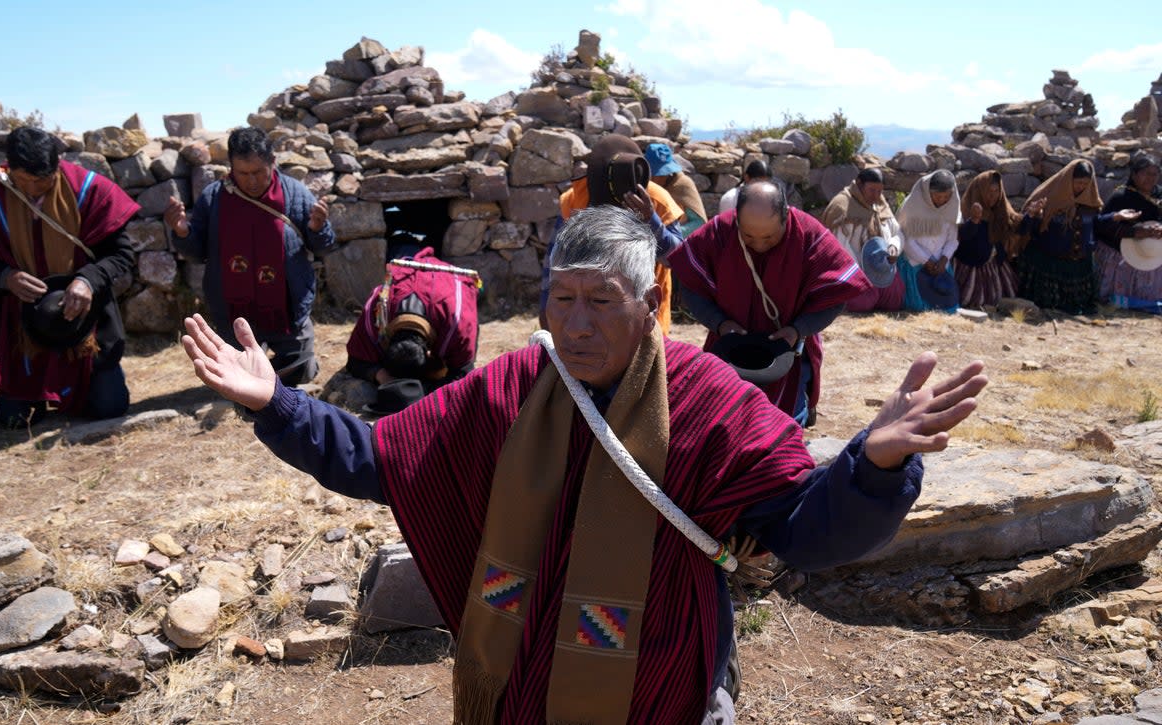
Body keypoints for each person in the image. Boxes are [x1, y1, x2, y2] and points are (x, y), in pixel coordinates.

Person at [181, 204, 986, 724]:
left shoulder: (706, 400)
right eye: (561, 299)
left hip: (658, 690)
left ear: (651, 301)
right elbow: (378, 456)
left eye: (601, 300)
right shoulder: (511, 388)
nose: (576, 323)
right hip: (523, 686)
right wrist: (274, 404)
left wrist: (873, 467)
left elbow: (804, 532)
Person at [0, 126, 138, 428]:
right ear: (7, 167)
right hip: (21, 323)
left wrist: (87, 280)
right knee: (14, 419)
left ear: (57, 166)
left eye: (42, 181)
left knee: (109, 407)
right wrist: (4, 277)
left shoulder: (89, 190)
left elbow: (122, 254)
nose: (32, 190)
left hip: (85, 320)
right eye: (23, 181)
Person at [670, 181, 871, 427]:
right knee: (721, 423)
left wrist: (799, 329)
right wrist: (718, 323)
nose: (759, 245)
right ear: (736, 220)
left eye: (769, 237)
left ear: (786, 218)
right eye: (748, 236)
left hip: (786, 353)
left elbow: (839, 292)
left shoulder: (808, 235)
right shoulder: (721, 231)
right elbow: (690, 280)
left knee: (783, 428)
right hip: (729, 348)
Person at [164, 126, 336, 385]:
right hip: (234, 312)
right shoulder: (214, 198)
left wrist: (318, 229)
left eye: (258, 172)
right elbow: (197, 253)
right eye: (243, 173)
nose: (251, 181)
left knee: (301, 372)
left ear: (273, 162)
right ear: (231, 167)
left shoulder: (295, 194)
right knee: (241, 383)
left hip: (287, 310)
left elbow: (322, 247)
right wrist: (182, 231)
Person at [539, 134, 684, 334]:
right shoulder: (577, 197)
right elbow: (554, 259)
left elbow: (679, 259)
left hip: (646, 318)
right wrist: (548, 308)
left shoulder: (657, 201)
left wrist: (650, 220)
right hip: (582, 315)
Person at [345, 246, 480, 388]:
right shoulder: (377, 310)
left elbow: (462, 373)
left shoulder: (457, 323)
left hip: (445, 285)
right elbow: (355, 359)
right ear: (385, 345)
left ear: (429, 354)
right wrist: (382, 376)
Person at [1018, 159, 1139, 315]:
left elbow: (1096, 223)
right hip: (1050, 262)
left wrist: (1115, 216)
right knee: (1048, 305)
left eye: (1085, 183)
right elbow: (1026, 230)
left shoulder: (1090, 203)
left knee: (1076, 308)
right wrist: (1032, 215)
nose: (1081, 187)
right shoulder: (1049, 199)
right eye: (1078, 182)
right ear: (1068, 180)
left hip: (1078, 262)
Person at [821, 167, 906, 312]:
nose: (876, 196)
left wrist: (893, 247)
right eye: (872, 190)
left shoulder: (880, 204)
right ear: (859, 184)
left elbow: (897, 232)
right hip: (852, 270)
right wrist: (862, 272)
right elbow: (839, 247)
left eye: (880, 191)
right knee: (862, 303)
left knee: (895, 299)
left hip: (880, 267)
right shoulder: (841, 207)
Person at [1095, 152, 1162, 312]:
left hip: (1151, 253)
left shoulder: (1159, 195)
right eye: (1146, 174)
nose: (1150, 179)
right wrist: (1134, 231)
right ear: (1134, 174)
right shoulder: (1121, 197)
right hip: (1119, 253)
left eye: (1155, 174)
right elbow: (1101, 226)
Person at [955, 171, 1023, 309]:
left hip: (993, 265)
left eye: (996, 191)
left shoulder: (1001, 211)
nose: (993, 196)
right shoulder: (967, 209)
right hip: (970, 266)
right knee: (972, 299)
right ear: (979, 191)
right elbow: (963, 236)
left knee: (1003, 296)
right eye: (988, 191)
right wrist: (974, 221)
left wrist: (1031, 217)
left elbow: (1015, 228)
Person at [896, 171, 961, 313]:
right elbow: (906, 239)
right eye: (938, 196)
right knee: (918, 307)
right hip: (915, 263)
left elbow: (952, 240)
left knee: (949, 309)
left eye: (946, 196)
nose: (942, 200)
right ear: (927, 192)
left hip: (940, 265)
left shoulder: (951, 207)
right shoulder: (912, 206)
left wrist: (943, 260)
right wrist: (926, 261)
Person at [645, 142, 707, 238]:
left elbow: (699, 223)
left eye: (659, 174)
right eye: (652, 174)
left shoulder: (683, 184)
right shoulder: (647, 187)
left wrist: (667, 234)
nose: (654, 178)